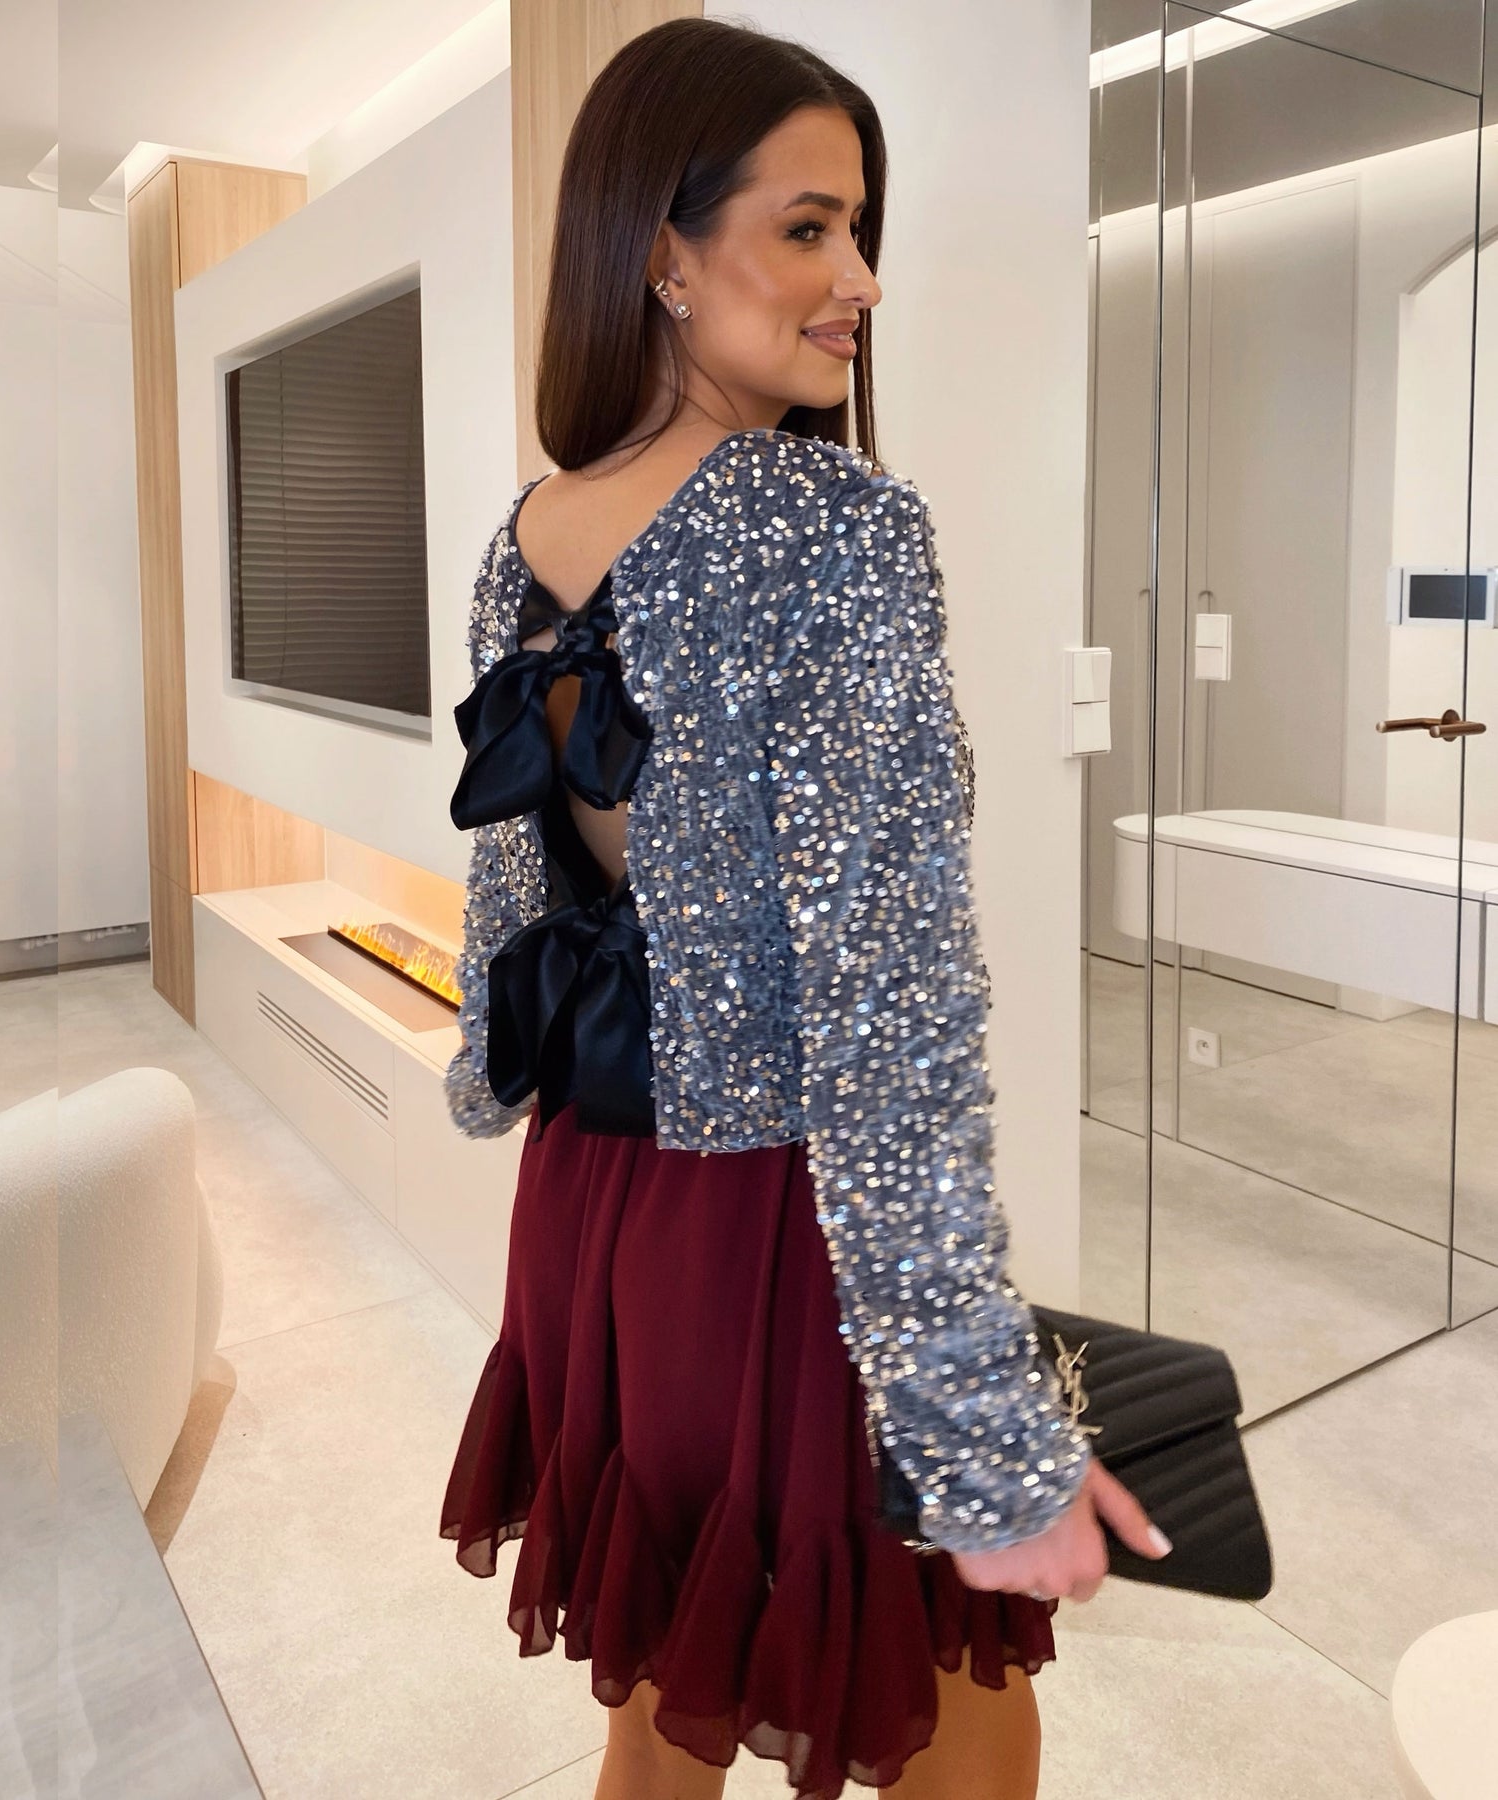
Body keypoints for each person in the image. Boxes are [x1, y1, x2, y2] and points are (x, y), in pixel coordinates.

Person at [439, 17, 1169, 1800]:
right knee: (955, 1722)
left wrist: (496, 1074)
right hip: (783, 1236)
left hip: (595, 1217)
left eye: (862, 231)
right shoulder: (832, 525)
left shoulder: (528, 535)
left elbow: (512, 903)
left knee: (666, 1686)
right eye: (808, 228)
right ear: (665, 256)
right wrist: (975, 1421)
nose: (860, 281)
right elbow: (885, 1009)